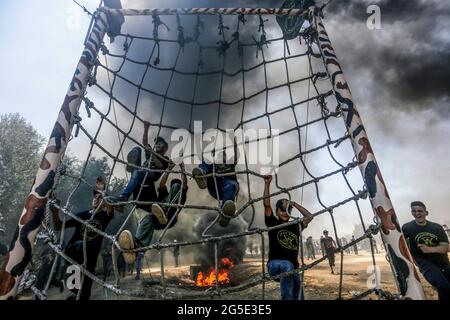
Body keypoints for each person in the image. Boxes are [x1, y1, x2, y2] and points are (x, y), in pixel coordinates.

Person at [51, 176, 114, 300]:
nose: (96, 198)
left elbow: (110, 210)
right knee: (74, 288)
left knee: (84, 295)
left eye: (99, 197)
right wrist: (54, 210)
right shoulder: (82, 215)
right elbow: (58, 226)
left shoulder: (104, 217)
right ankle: (67, 280)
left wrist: (103, 191)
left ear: (104, 202)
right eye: (95, 196)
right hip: (73, 255)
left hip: (89, 261)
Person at [118, 162, 188, 266]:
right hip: (158, 218)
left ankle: (165, 211)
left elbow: (185, 183)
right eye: (173, 185)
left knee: (162, 208)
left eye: (176, 186)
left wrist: (182, 168)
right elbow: (162, 184)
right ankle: (137, 246)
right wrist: (168, 169)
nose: (174, 187)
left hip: (170, 219)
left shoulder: (180, 196)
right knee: (148, 218)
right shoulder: (165, 195)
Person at [107, 121, 170, 220]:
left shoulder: (166, 159)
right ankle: (133, 166)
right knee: (137, 149)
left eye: (160, 144)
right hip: (142, 171)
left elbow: (160, 165)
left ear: (165, 148)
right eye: (156, 143)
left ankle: (123, 197)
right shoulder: (151, 153)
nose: (157, 145)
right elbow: (145, 143)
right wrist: (146, 128)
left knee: (138, 171)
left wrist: (151, 153)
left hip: (151, 175)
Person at [263, 175, 313, 300]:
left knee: (298, 287)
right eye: (283, 208)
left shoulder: (296, 226)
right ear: (278, 211)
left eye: (288, 209)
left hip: (293, 269)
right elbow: (266, 205)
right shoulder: (273, 222)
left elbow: (309, 216)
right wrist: (267, 184)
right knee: (287, 266)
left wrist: (294, 204)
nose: (286, 211)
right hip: (275, 266)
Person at [402, 201, 450, 300]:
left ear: (426, 213)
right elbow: (403, 245)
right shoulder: (407, 227)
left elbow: (446, 247)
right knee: (443, 285)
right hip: (424, 262)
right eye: (414, 211)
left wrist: (429, 249)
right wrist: (412, 260)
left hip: (442, 262)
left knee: (446, 287)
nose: (417, 213)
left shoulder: (436, 227)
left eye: (420, 211)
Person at [192, 139, 239, 227]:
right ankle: (201, 175)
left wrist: (234, 143)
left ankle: (225, 213)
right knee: (206, 161)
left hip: (228, 187)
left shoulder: (230, 163)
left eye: (223, 154)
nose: (221, 156)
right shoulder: (213, 164)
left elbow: (236, 154)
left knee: (232, 185)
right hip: (215, 186)